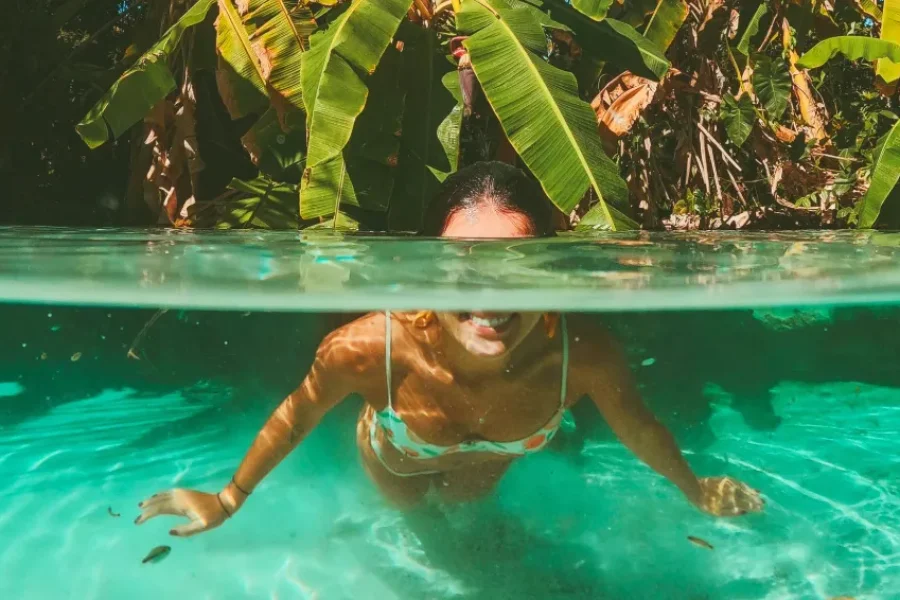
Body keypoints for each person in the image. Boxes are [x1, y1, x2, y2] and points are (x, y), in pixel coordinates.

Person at [135, 162, 763, 537]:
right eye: (462, 267)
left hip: (485, 471)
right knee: (422, 522)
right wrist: (227, 500)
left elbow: (640, 427)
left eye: (518, 267)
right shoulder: (368, 348)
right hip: (397, 462)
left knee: (470, 514)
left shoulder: (582, 355)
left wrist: (693, 487)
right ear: (423, 272)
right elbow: (297, 414)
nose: (490, 294)